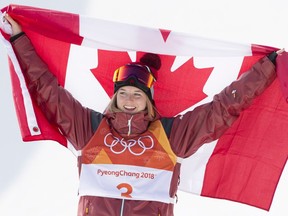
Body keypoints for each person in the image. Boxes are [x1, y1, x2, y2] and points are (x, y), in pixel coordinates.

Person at [4, 14, 284, 216]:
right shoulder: (89, 128)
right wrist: (18, 38)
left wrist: (269, 67)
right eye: (123, 93)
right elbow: (46, 90)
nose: (129, 100)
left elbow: (222, 108)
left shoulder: (171, 134)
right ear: (114, 97)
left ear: (148, 101)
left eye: (137, 95)